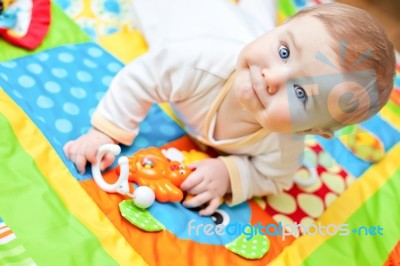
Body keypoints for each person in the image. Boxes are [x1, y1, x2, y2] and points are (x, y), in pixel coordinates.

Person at [63, 1, 396, 215]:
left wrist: (230, 175)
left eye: (301, 93)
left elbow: (275, 178)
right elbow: (143, 76)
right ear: (276, 35)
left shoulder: (283, 146)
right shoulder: (200, 62)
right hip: (189, 19)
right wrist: (106, 130)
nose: (271, 77)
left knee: (251, 20)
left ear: (310, 131)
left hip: (243, 30)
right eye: (284, 52)